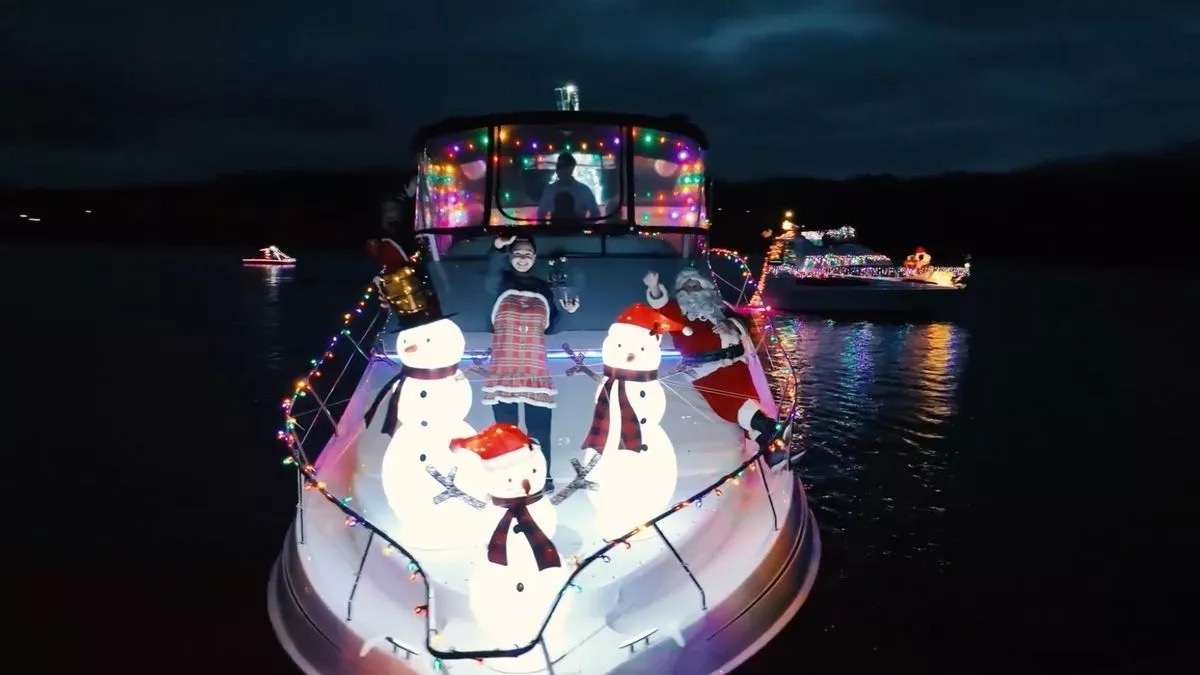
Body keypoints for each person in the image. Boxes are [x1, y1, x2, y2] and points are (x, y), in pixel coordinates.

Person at [643, 267, 790, 467]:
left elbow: (743, 322)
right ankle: (772, 432)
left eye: (695, 284)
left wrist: (730, 324)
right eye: (687, 287)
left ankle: (771, 450)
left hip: (736, 363)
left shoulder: (719, 307)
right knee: (734, 406)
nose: (692, 289)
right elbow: (661, 306)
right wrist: (654, 288)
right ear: (680, 291)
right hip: (706, 369)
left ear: (704, 286)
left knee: (749, 403)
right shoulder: (678, 311)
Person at [483, 234, 581, 490]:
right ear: (510, 256)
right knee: (507, 431)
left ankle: (541, 479)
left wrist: (567, 313)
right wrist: (496, 248)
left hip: (535, 369)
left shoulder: (542, 288)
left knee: (539, 431)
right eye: (517, 253)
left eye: (528, 254)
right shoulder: (498, 284)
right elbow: (490, 271)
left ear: (534, 258)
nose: (523, 259)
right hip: (504, 369)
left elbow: (551, 327)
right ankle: (509, 480)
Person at [537, 152, 600, 222]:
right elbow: (541, 215)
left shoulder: (583, 190)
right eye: (558, 166)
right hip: (555, 232)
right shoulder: (549, 190)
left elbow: (595, 213)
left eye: (563, 166)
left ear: (571, 168)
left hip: (577, 232)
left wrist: (583, 226)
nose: (559, 169)